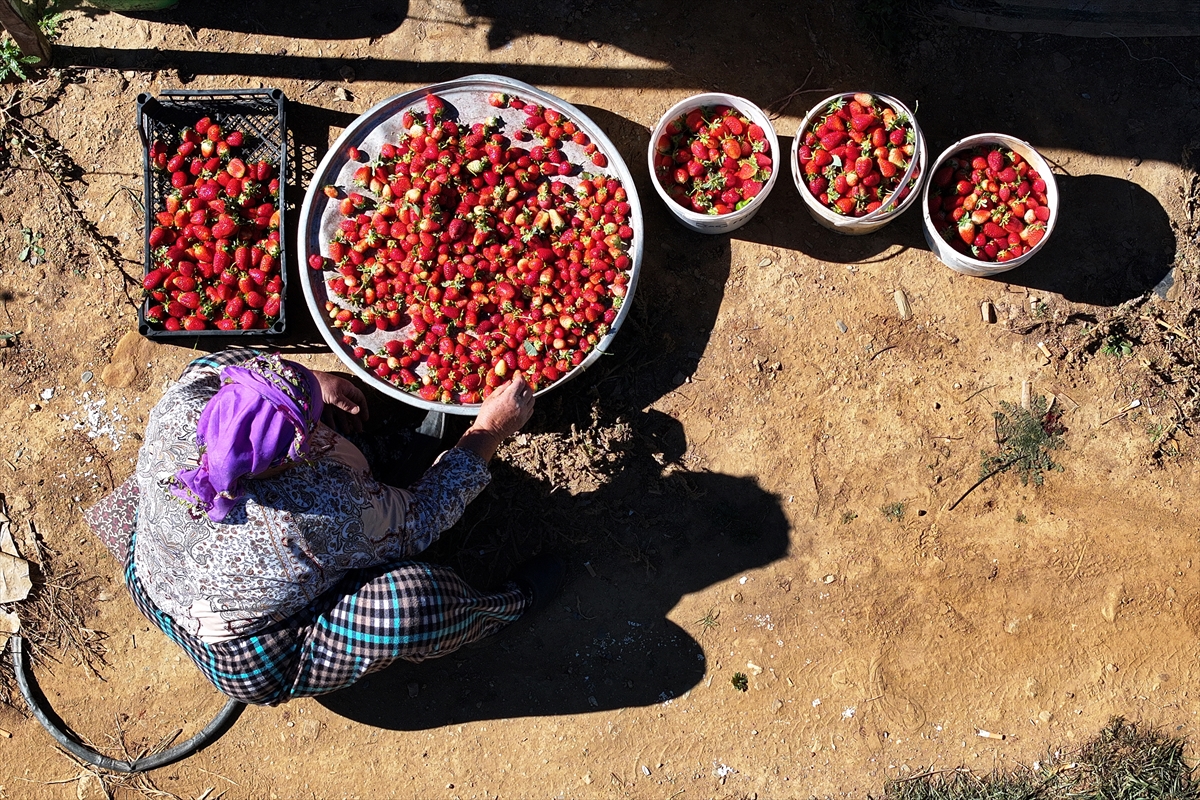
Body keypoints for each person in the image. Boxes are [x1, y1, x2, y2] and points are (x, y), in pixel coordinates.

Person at [120, 347, 564, 706]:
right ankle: (507, 607)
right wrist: (487, 429)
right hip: (246, 649)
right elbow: (421, 518)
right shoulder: (313, 514)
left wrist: (313, 380)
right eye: (310, 426)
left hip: (151, 572)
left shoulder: (182, 403)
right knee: (411, 606)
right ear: (295, 456)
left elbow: (214, 363)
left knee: (135, 504)